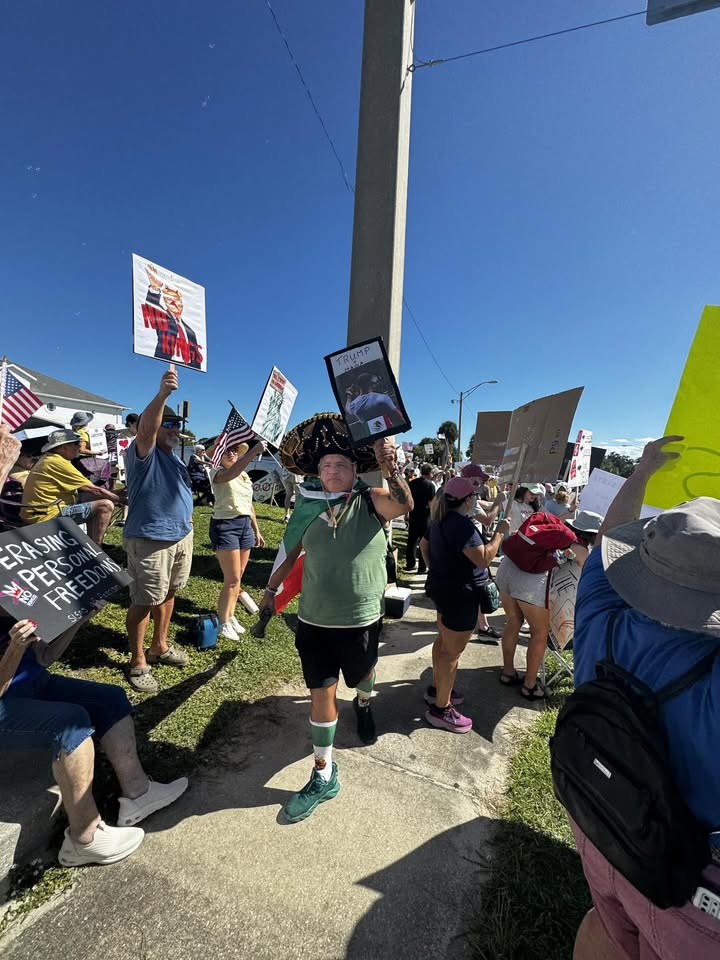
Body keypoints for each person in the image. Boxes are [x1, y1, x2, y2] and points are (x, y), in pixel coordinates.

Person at [566, 437, 720, 960]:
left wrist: (643, 471)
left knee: (606, 929)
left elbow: (609, 538)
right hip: (687, 877)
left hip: (598, 818)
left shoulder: (600, 611)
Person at [258, 414, 412, 823]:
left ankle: (364, 703)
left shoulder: (372, 499)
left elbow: (404, 503)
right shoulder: (306, 507)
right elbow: (289, 553)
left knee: (364, 674)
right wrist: (271, 591)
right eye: (325, 465)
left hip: (361, 620)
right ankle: (323, 773)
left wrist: (391, 465)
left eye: (340, 465)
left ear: (354, 469)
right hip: (314, 622)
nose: (331, 471)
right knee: (320, 693)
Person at [0, 614, 187, 867]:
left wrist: (77, 618)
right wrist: (15, 646)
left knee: (109, 699)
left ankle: (139, 793)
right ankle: (83, 838)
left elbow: (44, 657)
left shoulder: (13, 598)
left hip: (34, 684)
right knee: (70, 723)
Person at [419, 477, 509, 732]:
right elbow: (483, 559)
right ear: (467, 500)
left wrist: (434, 568)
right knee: (451, 653)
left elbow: (423, 544)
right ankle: (441, 708)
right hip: (460, 595)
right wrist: (500, 532)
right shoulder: (461, 525)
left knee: (443, 644)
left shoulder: (440, 518)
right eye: (474, 497)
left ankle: (438, 690)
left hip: (445, 590)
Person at [123, 368, 193, 693]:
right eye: (171, 424)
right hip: (150, 541)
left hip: (180, 538)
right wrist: (163, 395)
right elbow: (147, 431)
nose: (176, 429)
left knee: (168, 593)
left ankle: (159, 646)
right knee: (142, 600)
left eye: (179, 425)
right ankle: (138, 662)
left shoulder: (174, 459)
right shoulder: (143, 454)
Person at [495, 506, 583, 700]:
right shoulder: (576, 542)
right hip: (529, 581)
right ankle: (530, 685)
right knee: (539, 634)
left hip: (507, 568)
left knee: (512, 622)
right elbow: (585, 568)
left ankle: (507, 673)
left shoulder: (549, 523)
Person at [209, 438, 267, 640]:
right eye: (227, 450)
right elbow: (228, 475)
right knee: (232, 579)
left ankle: (231, 615)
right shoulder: (216, 472)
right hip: (225, 525)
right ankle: (223, 622)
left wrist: (256, 530)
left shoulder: (243, 475)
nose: (232, 453)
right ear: (218, 454)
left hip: (244, 526)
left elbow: (248, 504)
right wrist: (253, 453)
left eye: (235, 450)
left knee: (238, 577)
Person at [20, 429, 122, 544]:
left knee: (93, 498)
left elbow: (92, 491)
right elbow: (95, 490)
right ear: (64, 447)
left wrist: (118, 494)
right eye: (76, 444)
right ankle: (97, 550)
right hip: (46, 515)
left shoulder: (50, 459)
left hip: (40, 511)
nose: (79, 447)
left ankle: (90, 544)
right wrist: (124, 500)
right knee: (105, 505)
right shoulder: (57, 462)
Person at [144, 264, 203, 369]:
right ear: (166, 304)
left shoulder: (191, 332)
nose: (176, 305)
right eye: (171, 302)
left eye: (177, 301)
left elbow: (196, 360)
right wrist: (155, 288)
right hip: (165, 362)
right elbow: (151, 309)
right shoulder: (163, 318)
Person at [405, 463, 436, 573]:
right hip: (425, 516)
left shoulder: (412, 483)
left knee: (412, 540)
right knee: (424, 541)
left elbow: (407, 501)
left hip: (413, 514)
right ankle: (422, 567)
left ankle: (410, 563)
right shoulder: (430, 485)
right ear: (430, 473)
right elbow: (431, 503)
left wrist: (406, 514)